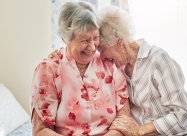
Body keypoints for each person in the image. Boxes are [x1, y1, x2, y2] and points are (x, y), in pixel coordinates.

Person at [98, 6, 187, 136]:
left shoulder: (158, 60)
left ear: (118, 41)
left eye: (102, 49)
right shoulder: (119, 69)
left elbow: (184, 113)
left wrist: (142, 129)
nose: (101, 56)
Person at [30, 2, 130, 136]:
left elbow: (124, 118)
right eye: (84, 40)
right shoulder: (48, 70)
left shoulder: (109, 63)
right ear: (66, 39)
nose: (93, 47)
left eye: (95, 38)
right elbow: (41, 130)